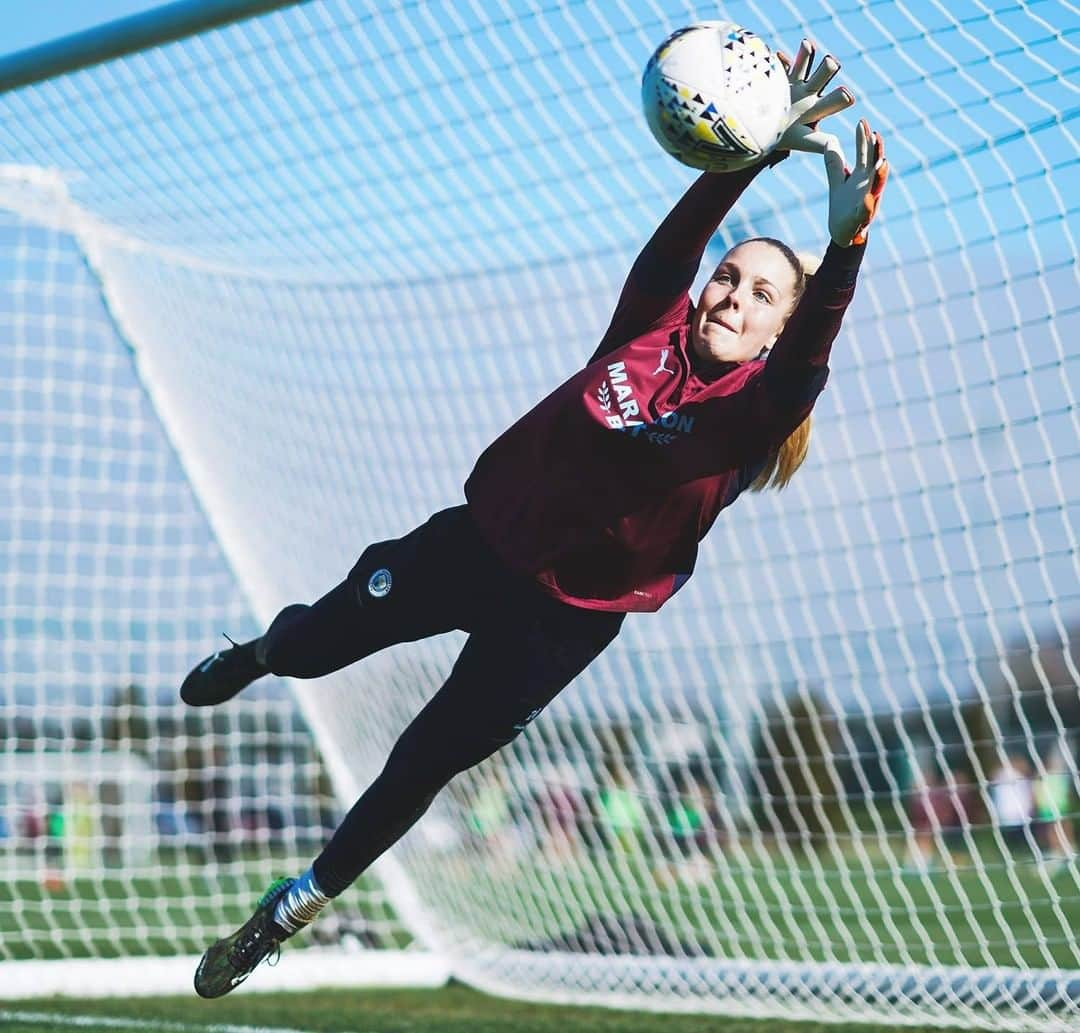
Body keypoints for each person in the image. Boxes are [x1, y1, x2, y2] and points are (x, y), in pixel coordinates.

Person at [180, 41, 889, 998]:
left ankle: (289, 909)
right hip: (480, 541)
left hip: (565, 622)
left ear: (774, 333)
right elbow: (673, 251)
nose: (732, 294)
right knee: (315, 647)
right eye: (730, 277)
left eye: (763, 295)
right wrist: (753, 153)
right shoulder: (648, 324)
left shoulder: (755, 412)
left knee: (422, 759)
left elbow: (810, 361)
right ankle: (260, 655)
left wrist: (843, 249)